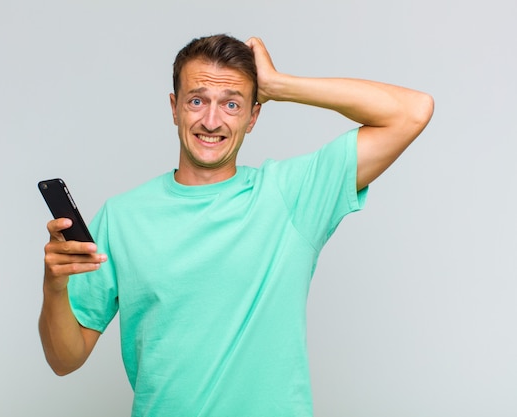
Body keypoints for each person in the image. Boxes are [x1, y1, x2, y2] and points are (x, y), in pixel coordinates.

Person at [39, 34, 433, 416]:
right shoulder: (123, 217)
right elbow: (64, 359)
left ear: (253, 116)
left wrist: (281, 85)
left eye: (232, 104)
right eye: (197, 101)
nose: (211, 121)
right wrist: (54, 286)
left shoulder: (291, 196)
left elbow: (412, 111)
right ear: (174, 108)